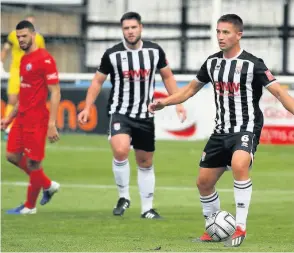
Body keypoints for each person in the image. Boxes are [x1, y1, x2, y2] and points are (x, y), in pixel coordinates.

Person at [149, 14, 294, 246]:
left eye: (225, 32)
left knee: (239, 165)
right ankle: (212, 229)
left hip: (246, 128)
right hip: (220, 131)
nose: (220, 37)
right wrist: (165, 102)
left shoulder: (253, 64)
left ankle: (240, 228)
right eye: (218, 32)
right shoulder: (212, 63)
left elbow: (280, 93)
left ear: (239, 35)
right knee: (203, 182)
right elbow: (189, 91)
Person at [78, 11, 186, 219]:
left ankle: (147, 209)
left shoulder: (154, 51)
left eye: (133, 27)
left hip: (145, 115)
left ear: (140, 28)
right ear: (122, 31)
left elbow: (168, 76)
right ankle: (124, 196)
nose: (130, 31)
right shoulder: (112, 54)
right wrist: (87, 107)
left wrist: (178, 102)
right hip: (120, 112)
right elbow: (97, 81)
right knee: (120, 150)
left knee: (145, 162)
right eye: (126, 28)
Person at [1, 20, 61, 215]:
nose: (21, 40)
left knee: (34, 162)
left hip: (37, 119)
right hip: (22, 117)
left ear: (34, 35)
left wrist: (52, 124)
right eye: (18, 37)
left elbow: (56, 92)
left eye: (24, 36)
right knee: (11, 155)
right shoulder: (23, 60)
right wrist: (9, 117)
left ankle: (30, 206)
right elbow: (24, 93)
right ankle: (47, 185)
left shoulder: (45, 59)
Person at [1, 14, 45, 140]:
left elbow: (43, 55)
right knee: (12, 99)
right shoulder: (13, 35)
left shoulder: (39, 39)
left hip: (31, 73)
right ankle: (8, 128)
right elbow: (5, 50)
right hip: (16, 71)